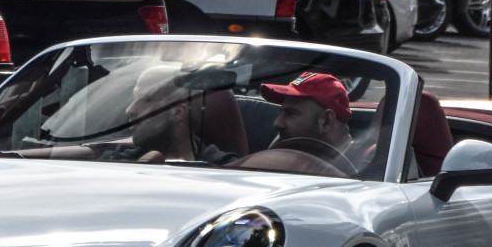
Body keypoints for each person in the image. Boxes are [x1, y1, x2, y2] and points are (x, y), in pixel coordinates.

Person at [106, 65, 238, 164]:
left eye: (146, 100)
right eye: (134, 99)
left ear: (178, 112)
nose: (130, 110)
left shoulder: (225, 169)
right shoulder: (115, 163)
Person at [261, 71, 355, 153]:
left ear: (327, 121)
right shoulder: (282, 144)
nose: (277, 123)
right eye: (281, 112)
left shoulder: (361, 169)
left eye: (291, 113)